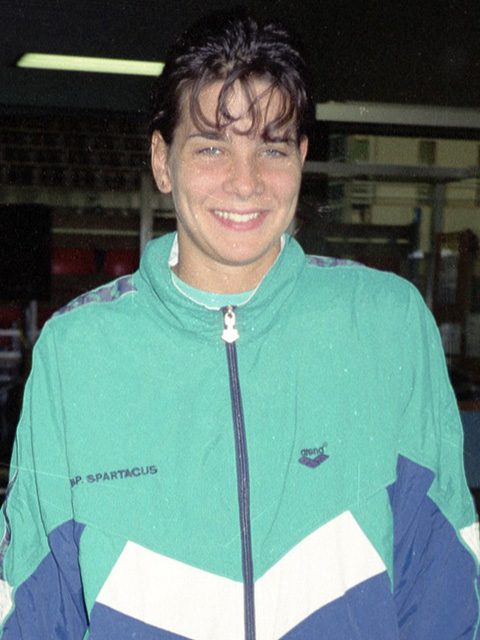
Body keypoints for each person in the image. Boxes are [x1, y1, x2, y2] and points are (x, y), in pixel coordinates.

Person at [0, 12, 479, 640]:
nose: (246, 182)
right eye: (211, 147)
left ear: (301, 158)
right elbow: (37, 608)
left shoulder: (388, 324)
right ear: (162, 161)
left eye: (272, 148)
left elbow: (442, 585)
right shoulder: (75, 352)